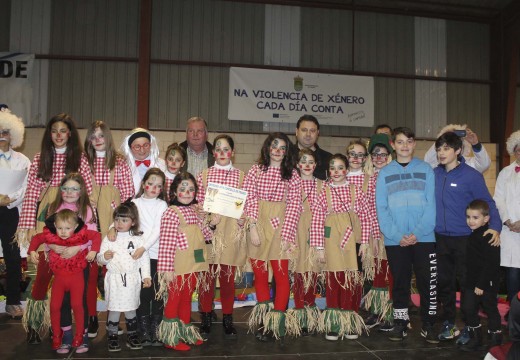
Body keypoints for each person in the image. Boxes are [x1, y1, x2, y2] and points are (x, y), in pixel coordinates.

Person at [16, 113, 93, 345]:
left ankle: (60, 326)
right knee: (41, 275)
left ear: (70, 133)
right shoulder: (40, 158)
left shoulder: (80, 159)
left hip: (72, 223)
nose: (58, 135)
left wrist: (82, 235)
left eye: (63, 131)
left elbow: (87, 197)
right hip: (45, 219)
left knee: (68, 277)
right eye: (54, 131)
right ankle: (35, 323)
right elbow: (31, 196)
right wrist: (28, 226)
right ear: (49, 134)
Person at [434, 131, 501, 343]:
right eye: (438, 149)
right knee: (444, 283)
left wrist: (496, 227)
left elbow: (488, 203)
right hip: (440, 238)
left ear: (457, 151)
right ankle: (449, 323)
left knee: (467, 284)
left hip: (465, 240)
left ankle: (471, 326)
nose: (441, 153)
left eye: (446, 148)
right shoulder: (434, 174)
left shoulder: (471, 176)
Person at [375, 127, 438, 343]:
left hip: (424, 238)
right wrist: (396, 234)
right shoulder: (385, 173)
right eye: (400, 142)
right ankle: (400, 323)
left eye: (408, 141)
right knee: (400, 283)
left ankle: (428, 324)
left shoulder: (426, 169)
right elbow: (381, 208)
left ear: (414, 144)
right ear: (393, 145)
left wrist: (418, 233)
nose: (404, 146)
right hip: (395, 240)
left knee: (427, 282)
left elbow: (432, 206)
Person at [310, 153, 374, 341]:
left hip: (352, 239)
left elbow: (366, 216)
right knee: (334, 278)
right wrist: (319, 247)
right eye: (332, 168)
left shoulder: (356, 190)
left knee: (352, 280)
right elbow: (316, 220)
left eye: (340, 167)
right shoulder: (324, 191)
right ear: (328, 171)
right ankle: (334, 322)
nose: (336, 171)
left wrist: (364, 242)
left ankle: (349, 321)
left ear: (346, 170)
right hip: (331, 240)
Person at [244, 132, 302, 342]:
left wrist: (287, 235)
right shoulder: (255, 170)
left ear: (287, 152)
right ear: (268, 148)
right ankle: (263, 318)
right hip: (258, 224)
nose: (278, 151)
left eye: (282, 148)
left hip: (281, 226)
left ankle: (277, 321)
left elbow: (295, 205)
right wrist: (252, 227)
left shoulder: (292, 174)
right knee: (259, 274)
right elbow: (249, 198)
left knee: (281, 274)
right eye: (274, 146)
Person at [83, 120, 135, 338]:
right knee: (90, 273)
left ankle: (115, 317)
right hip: (90, 218)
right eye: (93, 136)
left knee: (112, 271)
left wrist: (117, 225)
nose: (97, 140)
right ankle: (92, 317)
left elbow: (128, 194)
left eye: (101, 136)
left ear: (108, 137)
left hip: (113, 221)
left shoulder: (119, 161)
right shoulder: (84, 161)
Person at [156, 172, 217, 351]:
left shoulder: (194, 211)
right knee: (174, 299)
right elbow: (166, 245)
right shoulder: (171, 213)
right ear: (174, 192)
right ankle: (170, 337)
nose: (187, 192)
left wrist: (211, 222)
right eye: (183, 189)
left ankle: (184, 331)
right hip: (178, 266)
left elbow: (207, 235)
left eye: (191, 189)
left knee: (186, 299)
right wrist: (167, 269)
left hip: (194, 264)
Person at [28, 209, 100, 352]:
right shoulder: (51, 236)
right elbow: (37, 238)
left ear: (75, 227)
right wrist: (32, 251)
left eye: (67, 228)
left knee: (77, 304)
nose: (63, 232)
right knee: (55, 306)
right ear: (54, 225)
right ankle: (57, 335)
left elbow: (97, 236)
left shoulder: (82, 235)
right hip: (59, 279)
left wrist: (93, 250)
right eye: (59, 228)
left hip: (76, 277)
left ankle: (80, 335)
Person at [196, 134, 247, 339]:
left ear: (232, 153)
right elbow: (198, 205)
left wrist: (244, 218)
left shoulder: (242, 176)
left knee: (227, 279)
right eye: (219, 149)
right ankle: (206, 316)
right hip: (209, 232)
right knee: (207, 279)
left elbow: (248, 205)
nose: (223, 153)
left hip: (231, 233)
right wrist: (207, 217)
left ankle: (228, 317)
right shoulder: (204, 175)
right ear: (213, 152)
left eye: (227, 149)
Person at [97, 202, 152, 352]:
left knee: (131, 309)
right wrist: (104, 257)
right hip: (114, 280)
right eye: (117, 219)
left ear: (133, 222)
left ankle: (132, 335)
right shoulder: (109, 239)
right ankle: (112, 336)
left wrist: (146, 276)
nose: (119, 223)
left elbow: (144, 259)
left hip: (132, 279)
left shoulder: (138, 239)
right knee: (114, 309)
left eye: (124, 220)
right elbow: (99, 258)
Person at [286, 148, 323, 336]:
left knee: (313, 272)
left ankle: (310, 309)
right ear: (297, 165)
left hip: (316, 232)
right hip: (296, 230)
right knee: (298, 273)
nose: (307, 165)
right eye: (303, 161)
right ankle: (300, 311)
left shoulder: (323, 185)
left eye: (311, 162)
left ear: (315, 165)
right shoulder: (291, 184)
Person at [362, 133, 395, 332]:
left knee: (391, 273)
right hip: (374, 233)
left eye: (383, 154)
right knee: (377, 273)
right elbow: (367, 208)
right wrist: (373, 234)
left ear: (389, 156)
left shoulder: (394, 176)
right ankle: (377, 309)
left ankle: (390, 313)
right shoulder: (368, 179)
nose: (379, 157)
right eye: (375, 154)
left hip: (391, 231)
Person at [459, 200, 502, 351]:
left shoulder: (489, 236)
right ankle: (476, 338)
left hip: (486, 282)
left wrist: (481, 284)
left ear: (486, 219)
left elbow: (491, 264)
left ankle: (495, 339)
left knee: (490, 308)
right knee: (468, 308)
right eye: (468, 217)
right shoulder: (472, 236)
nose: (471, 221)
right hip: (472, 282)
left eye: (475, 217)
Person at [0, 107, 30, 318]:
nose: (2, 134)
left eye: (5, 131)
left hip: (11, 211)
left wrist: (9, 199)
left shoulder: (23, 159)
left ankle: (12, 301)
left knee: (11, 257)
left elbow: (28, 185)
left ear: (13, 134)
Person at [495, 130, 520, 325]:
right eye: (517, 150)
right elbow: (499, 199)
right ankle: (514, 311)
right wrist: (508, 220)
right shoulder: (505, 172)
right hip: (510, 231)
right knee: (512, 274)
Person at [424, 124, 491, 173]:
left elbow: (484, 164)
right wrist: (443, 138)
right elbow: (428, 160)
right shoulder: (437, 166)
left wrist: (476, 144)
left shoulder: (468, 164)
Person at [121, 127, 166, 194]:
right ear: (130, 148)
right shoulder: (123, 167)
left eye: (145, 145)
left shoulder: (162, 164)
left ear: (150, 145)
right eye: (137, 147)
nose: (142, 150)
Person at [295, 115, 332, 180]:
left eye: (312, 131)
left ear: (318, 133)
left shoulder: (329, 159)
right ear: (296, 132)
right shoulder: (286, 156)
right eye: (304, 130)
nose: (308, 134)